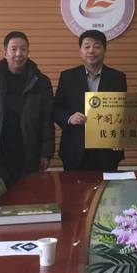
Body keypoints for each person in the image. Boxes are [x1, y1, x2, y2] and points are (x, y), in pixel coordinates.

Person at [0, 31, 54, 187]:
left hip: (29, 153)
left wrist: (46, 153)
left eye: (23, 49)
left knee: (28, 196)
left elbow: (47, 120)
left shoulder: (41, 82)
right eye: (14, 49)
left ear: (28, 52)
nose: (19, 54)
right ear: (5, 52)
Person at [54, 30, 126, 171]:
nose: (91, 50)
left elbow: (123, 110)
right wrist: (69, 118)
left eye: (97, 46)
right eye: (86, 46)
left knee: (107, 185)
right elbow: (56, 107)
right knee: (73, 186)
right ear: (80, 51)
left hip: (107, 149)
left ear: (104, 50)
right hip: (74, 147)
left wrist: (119, 137)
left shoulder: (118, 77)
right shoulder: (67, 77)